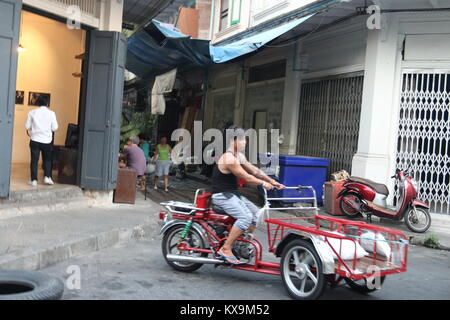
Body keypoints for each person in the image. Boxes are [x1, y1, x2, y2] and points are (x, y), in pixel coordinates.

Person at [211, 125, 285, 264]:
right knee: (245, 217)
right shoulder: (229, 158)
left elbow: (254, 171)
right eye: (242, 139)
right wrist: (263, 184)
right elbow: (246, 177)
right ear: (233, 140)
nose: (245, 142)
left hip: (232, 194)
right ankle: (226, 248)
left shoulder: (238, 155)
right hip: (222, 195)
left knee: (256, 214)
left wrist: (272, 181)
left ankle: (240, 242)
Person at [25, 95, 58, 186]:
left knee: (34, 160)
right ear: (47, 103)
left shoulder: (32, 112)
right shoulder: (52, 113)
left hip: (35, 139)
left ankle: (34, 180)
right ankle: (47, 177)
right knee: (47, 159)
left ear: (38, 103)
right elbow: (55, 127)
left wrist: (33, 127)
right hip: (47, 141)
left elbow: (27, 126)